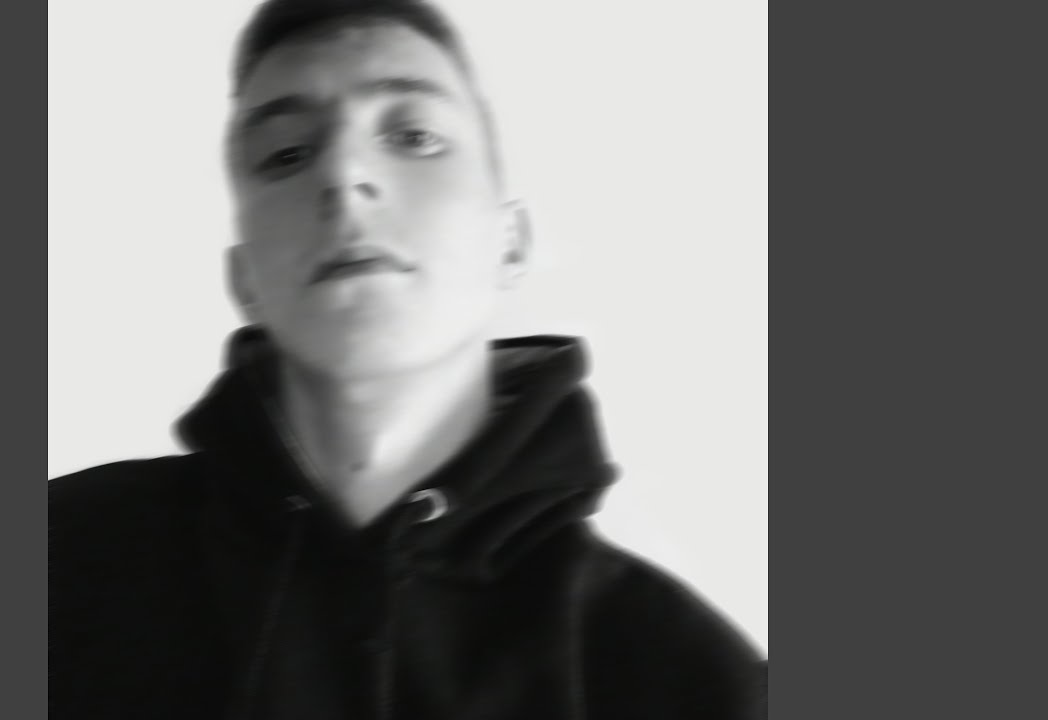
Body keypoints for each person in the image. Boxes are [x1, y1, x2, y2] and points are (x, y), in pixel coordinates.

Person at [48, 0, 766, 717]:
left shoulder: (688, 681)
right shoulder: (57, 566)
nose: (344, 174)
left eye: (414, 136)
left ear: (510, 242)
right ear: (244, 280)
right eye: (287, 154)